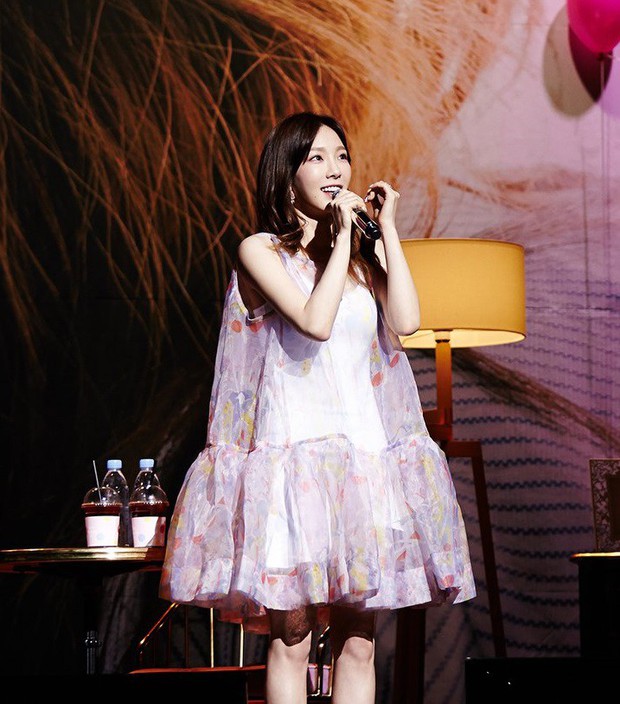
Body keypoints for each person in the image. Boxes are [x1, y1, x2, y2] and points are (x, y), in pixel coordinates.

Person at [159, 112, 475, 704]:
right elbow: (314, 320)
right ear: (287, 174)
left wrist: (386, 231)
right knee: (293, 638)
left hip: (363, 462)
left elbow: (407, 321)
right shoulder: (259, 250)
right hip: (293, 463)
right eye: (318, 158)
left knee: (360, 641)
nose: (336, 169)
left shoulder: (355, 256)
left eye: (342, 156)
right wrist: (344, 241)